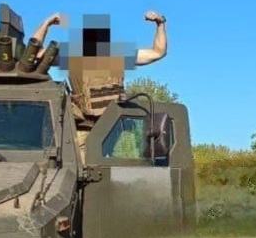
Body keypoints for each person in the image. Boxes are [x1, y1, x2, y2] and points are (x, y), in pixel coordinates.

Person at [32, 11, 168, 160]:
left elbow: (157, 52)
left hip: (111, 126)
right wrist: (47, 24)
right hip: (82, 127)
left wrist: (160, 24)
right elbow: (35, 54)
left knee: (107, 168)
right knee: (77, 168)